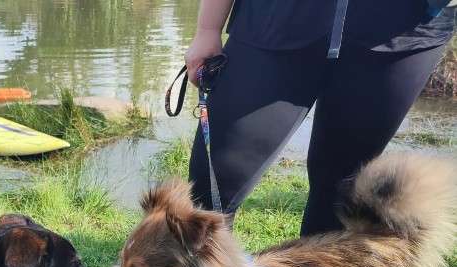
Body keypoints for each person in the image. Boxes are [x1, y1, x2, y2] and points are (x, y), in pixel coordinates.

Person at [184, 0, 456, 236]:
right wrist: (207, 29)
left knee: (341, 188)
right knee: (210, 186)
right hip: (273, 21)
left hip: (405, 29)